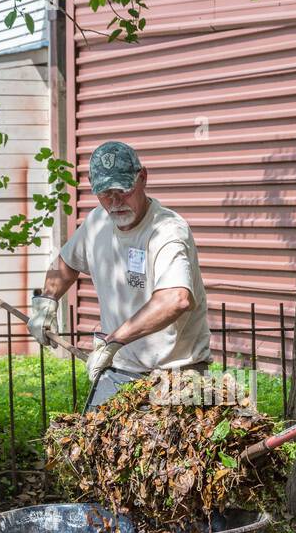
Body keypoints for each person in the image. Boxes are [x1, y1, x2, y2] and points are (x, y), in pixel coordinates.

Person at [28, 141, 211, 411]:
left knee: (162, 453)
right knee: (89, 450)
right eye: (104, 192)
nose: (114, 201)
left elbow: (175, 299)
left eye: (122, 190)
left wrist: (113, 341)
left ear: (142, 178)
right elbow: (66, 262)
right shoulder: (96, 223)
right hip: (118, 372)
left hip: (176, 376)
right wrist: (47, 301)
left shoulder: (167, 231)